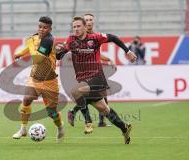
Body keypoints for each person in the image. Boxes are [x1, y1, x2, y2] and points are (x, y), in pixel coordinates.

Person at [56, 16, 136, 144]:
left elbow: (113, 38)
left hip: (97, 77)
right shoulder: (71, 40)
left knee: (76, 91)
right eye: (74, 27)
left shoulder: (95, 38)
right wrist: (57, 51)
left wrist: (127, 51)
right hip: (83, 79)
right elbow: (60, 55)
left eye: (78, 26)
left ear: (84, 27)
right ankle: (124, 128)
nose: (76, 29)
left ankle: (88, 122)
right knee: (104, 109)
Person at [12, 16, 65, 142]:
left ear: (50, 29)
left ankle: (60, 126)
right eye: (40, 26)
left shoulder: (48, 40)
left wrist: (29, 45)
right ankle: (23, 129)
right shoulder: (36, 36)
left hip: (50, 81)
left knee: (51, 112)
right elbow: (32, 43)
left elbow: (37, 58)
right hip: (35, 78)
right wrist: (21, 53)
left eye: (45, 28)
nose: (42, 29)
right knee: (27, 99)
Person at [67, 13, 115, 130]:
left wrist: (107, 59)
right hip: (90, 71)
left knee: (102, 94)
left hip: (97, 69)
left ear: (93, 21)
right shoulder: (82, 35)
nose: (88, 22)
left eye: (90, 20)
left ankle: (100, 121)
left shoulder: (95, 35)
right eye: (86, 19)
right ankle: (79, 114)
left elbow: (96, 54)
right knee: (95, 94)